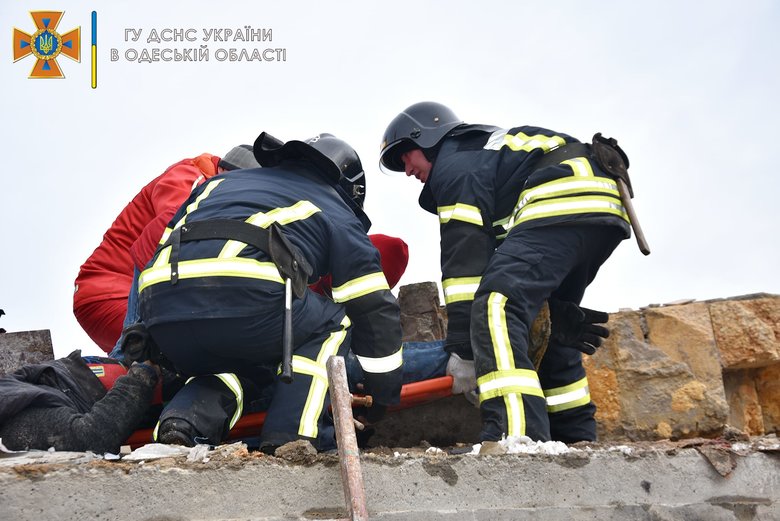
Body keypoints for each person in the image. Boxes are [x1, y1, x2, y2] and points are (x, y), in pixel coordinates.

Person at [379, 102, 631, 444]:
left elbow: (464, 260)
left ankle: (516, 437)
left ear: (429, 139)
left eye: (406, 156)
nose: (407, 170)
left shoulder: (455, 166)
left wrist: (465, 350)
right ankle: (575, 438)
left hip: (560, 197)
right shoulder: (487, 157)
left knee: (497, 304)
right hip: (602, 202)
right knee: (550, 323)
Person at [134, 132, 404, 453]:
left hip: (160, 308)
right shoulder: (334, 205)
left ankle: (182, 423)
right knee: (335, 321)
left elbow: (165, 242)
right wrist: (383, 395)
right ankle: (292, 438)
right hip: (239, 290)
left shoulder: (215, 186)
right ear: (349, 189)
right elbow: (371, 305)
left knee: (241, 362)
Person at [73, 146, 260, 355]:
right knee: (179, 349)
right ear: (225, 172)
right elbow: (181, 228)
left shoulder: (215, 190)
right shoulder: (193, 176)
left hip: (131, 293)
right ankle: (67, 377)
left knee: (164, 366)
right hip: (109, 294)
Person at [0, 350, 159, 454]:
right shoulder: (12, 428)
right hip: (92, 387)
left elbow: (92, 436)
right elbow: (91, 437)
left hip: (89, 382)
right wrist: (140, 377)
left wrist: (141, 376)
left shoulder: (12, 422)